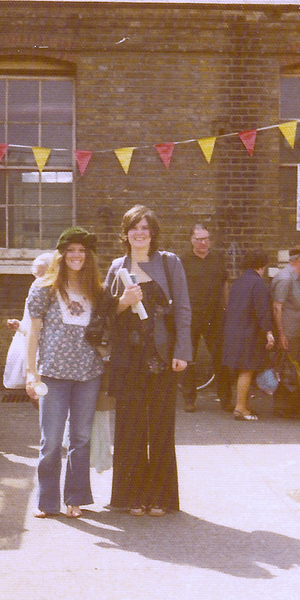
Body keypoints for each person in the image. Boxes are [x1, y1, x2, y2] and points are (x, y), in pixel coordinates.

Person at [104, 205, 192, 516]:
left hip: (161, 358)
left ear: (152, 232)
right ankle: (132, 497)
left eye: (145, 228)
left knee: (160, 427)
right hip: (128, 359)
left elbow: (182, 308)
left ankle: (160, 498)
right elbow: (106, 315)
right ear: (125, 233)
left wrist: (183, 351)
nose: (139, 233)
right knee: (130, 428)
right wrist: (122, 302)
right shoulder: (117, 266)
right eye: (134, 227)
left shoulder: (169, 263)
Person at [25, 227, 104, 519]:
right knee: (51, 440)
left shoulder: (96, 289)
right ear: (61, 254)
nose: (76, 256)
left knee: (81, 438)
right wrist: (31, 373)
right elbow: (32, 333)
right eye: (71, 250)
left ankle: (76, 498)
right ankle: (46, 501)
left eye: (82, 251)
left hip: (88, 373)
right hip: (52, 374)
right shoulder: (43, 289)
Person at [179, 223, 231, 412]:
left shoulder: (217, 258)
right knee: (188, 358)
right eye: (199, 239)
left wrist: (226, 308)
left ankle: (225, 399)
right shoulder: (182, 260)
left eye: (206, 238)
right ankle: (189, 399)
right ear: (191, 240)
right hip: (191, 316)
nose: (203, 242)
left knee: (220, 358)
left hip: (215, 316)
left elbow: (224, 284)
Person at [222, 250, 274, 421]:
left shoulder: (237, 282)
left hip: (234, 332)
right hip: (250, 333)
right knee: (247, 370)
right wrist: (268, 332)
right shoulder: (258, 283)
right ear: (262, 265)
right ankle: (240, 408)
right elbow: (262, 311)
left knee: (243, 371)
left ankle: (246, 405)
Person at [271, 247, 300, 418]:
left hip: (294, 332)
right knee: (285, 369)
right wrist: (281, 334)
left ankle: (291, 405)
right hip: (288, 333)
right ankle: (284, 407)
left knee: (291, 368)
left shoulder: (294, 278)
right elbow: (277, 307)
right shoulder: (285, 279)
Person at [3, 252, 54, 391]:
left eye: (44, 275)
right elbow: (29, 323)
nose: (39, 280)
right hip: (33, 347)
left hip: (50, 348)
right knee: (33, 388)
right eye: (37, 275)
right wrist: (18, 325)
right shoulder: (35, 289)